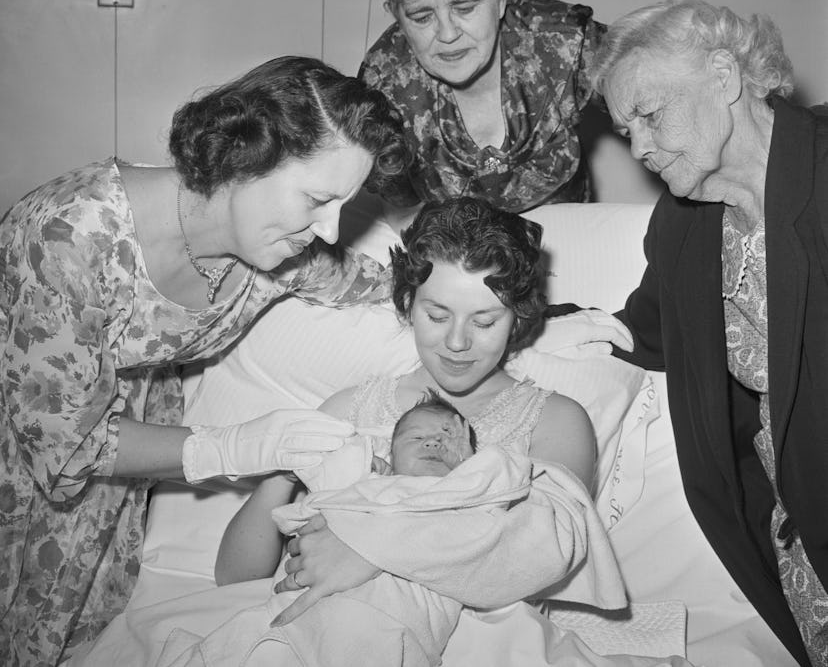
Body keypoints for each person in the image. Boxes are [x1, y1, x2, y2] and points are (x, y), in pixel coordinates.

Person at [0, 54, 408, 667]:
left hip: (120, 477)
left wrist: (523, 312)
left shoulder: (280, 252)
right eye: (318, 199)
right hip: (28, 459)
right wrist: (235, 446)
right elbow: (60, 448)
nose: (329, 230)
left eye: (342, 205)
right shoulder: (68, 235)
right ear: (245, 158)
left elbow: (385, 285)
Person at [220, 197, 625, 634]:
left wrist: (367, 554)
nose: (456, 342)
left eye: (484, 322)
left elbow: (538, 550)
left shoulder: (554, 421)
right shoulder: (347, 411)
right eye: (436, 315)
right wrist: (281, 472)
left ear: (517, 319)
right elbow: (235, 581)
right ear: (409, 302)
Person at [588, 0, 828, 667]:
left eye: (649, 114)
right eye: (624, 128)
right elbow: (641, 332)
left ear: (723, 77)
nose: (636, 146)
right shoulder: (684, 226)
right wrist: (504, 315)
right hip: (801, 559)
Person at [153, 396, 525, 667]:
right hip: (293, 619)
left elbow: (501, 500)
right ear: (389, 457)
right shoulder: (359, 487)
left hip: (385, 633)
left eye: (449, 437)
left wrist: (473, 468)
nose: (433, 442)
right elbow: (294, 521)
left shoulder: (466, 499)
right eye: (415, 438)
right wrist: (316, 479)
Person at [358, 0, 606, 222]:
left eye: (465, 8)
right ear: (397, 17)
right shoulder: (382, 88)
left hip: (570, 236)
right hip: (457, 250)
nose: (447, 34)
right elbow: (402, 208)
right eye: (421, 17)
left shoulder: (566, 43)